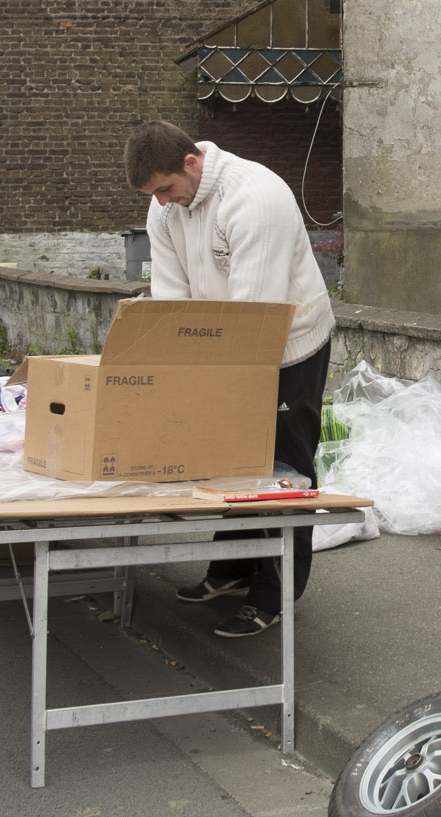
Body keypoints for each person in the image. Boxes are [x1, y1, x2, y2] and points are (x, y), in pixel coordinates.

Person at [125, 120, 334, 638]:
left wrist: (217, 383)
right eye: (154, 195)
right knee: (233, 462)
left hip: (288, 345)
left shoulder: (255, 198)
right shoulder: (165, 206)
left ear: (191, 163)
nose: (163, 202)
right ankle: (235, 567)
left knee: (284, 469)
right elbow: (171, 298)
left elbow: (254, 316)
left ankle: (277, 592)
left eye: (166, 188)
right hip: (224, 345)